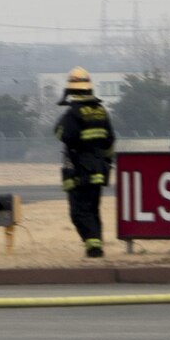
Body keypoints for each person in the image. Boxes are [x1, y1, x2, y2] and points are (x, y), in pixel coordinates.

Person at [52, 67, 115, 258]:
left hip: (80, 169)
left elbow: (63, 134)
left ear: (71, 90)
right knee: (93, 210)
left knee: (79, 212)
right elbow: (110, 140)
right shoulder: (101, 111)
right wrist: (105, 161)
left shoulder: (73, 113)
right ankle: (96, 244)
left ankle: (93, 247)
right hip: (99, 167)